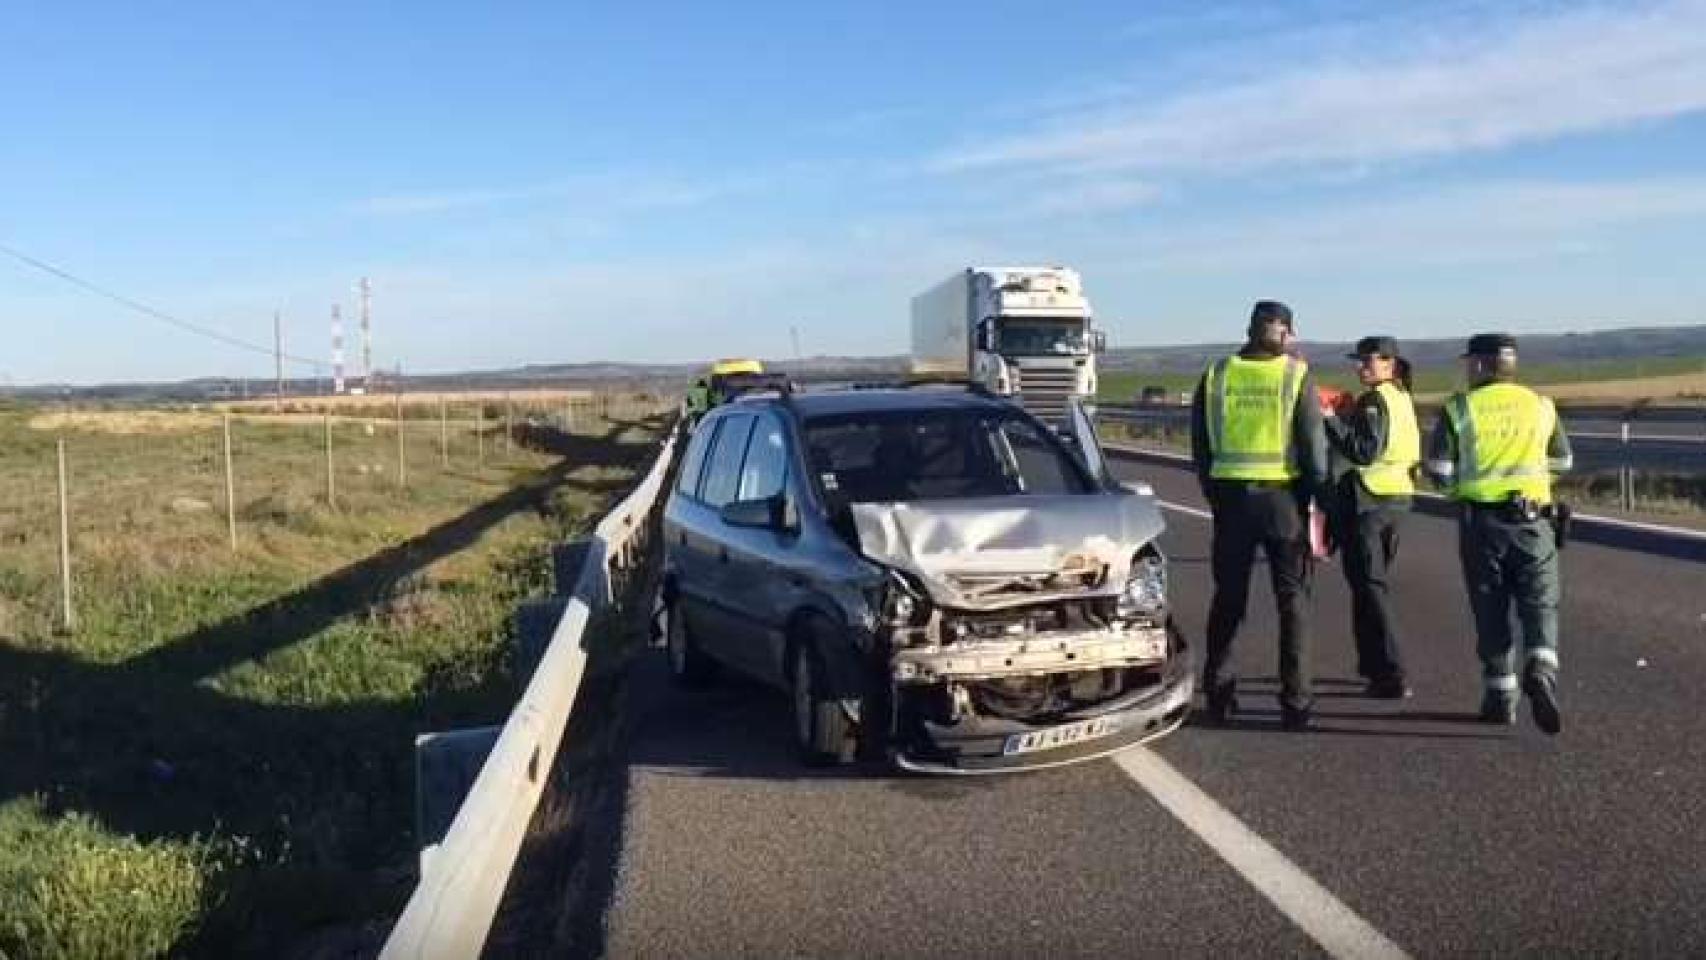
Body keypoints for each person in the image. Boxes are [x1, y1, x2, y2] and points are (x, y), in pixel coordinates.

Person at [1191, 300, 1330, 730]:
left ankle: (1218, 692)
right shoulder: (1295, 375)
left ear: (1249, 329)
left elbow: (1200, 445)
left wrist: (1215, 493)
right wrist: (1314, 497)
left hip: (1231, 500)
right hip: (1282, 501)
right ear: (1285, 333)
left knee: (1229, 598)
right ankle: (1295, 702)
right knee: (1293, 602)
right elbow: (1313, 447)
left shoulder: (1216, 375)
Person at [1424, 333, 1572, 734]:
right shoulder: (1541, 406)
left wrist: (1464, 491)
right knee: (1540, 603)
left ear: (1479, 365)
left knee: (1491, 611)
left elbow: (1438, 472)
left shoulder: (1459, 409)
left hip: (1482, 525)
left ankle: (1500, 698)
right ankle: (1541, 668)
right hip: (1535, 522)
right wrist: (1532, 484)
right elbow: (1562, 459)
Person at [1323, 336, 1421, 699]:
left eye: (1367, 361)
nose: (1360, 367)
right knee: (1367, 588)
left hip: (1371, 502)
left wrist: (1331, 420)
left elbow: (1364, 452)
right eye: (1358, 360)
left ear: (1389, 363)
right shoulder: (1401, 396)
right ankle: (1373, 668)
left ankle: (1393, 672)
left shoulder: (1375, 402)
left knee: (1371, 589)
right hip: (1396, 500)